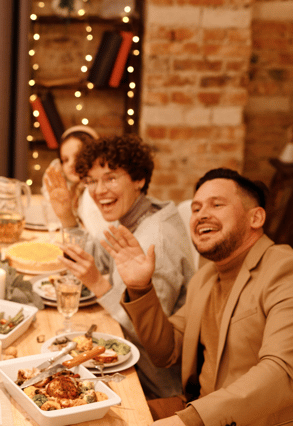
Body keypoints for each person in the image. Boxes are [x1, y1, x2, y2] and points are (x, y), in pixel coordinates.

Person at [109, 168, 293, 426]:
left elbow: (284, 372)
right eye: (195, 209)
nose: (201, 215)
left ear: (256, 217)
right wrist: (141, 287)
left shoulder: (284, 268)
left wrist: (189, 420)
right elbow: (166, 352)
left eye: (216, 204)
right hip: (196, 410)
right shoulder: (205, 278)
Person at [53, 134, 195, 399]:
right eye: (92, 181)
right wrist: (66, 216)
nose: (98, 191)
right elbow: (104, 258)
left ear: (139, 179)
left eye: (111, 178)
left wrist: (98, 284)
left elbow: (151, 340)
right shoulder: (138, 215)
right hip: (126, 358)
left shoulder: (156, 241)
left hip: (151, 383)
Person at [42, 125, 110, 238]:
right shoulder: (74, 190)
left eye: (78, 156)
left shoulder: (92, 193)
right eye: (65, 160)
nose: (71, 164)